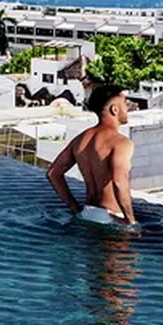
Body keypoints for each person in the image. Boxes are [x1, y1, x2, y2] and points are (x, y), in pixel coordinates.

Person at [48, 83, 137, 225]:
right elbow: (119, 182)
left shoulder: (80, 140)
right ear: (114, 109)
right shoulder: (121, 143)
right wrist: (131, 221)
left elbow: (53, 173)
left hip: (87, 213)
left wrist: (75, 209)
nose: (128, 108)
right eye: (125, 103)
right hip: (111, 216)